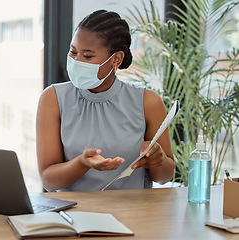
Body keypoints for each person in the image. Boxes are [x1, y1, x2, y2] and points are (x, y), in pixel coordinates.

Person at [36, 10, 175, 192]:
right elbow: (48, 181)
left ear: (116, 59)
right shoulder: (53, 98)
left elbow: (165, 176)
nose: (76, 61)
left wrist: (158, 160)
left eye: (87, 56)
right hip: (75, 215)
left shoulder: (148, 102)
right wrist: (82, 162)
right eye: (73, 52)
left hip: (133, 215)